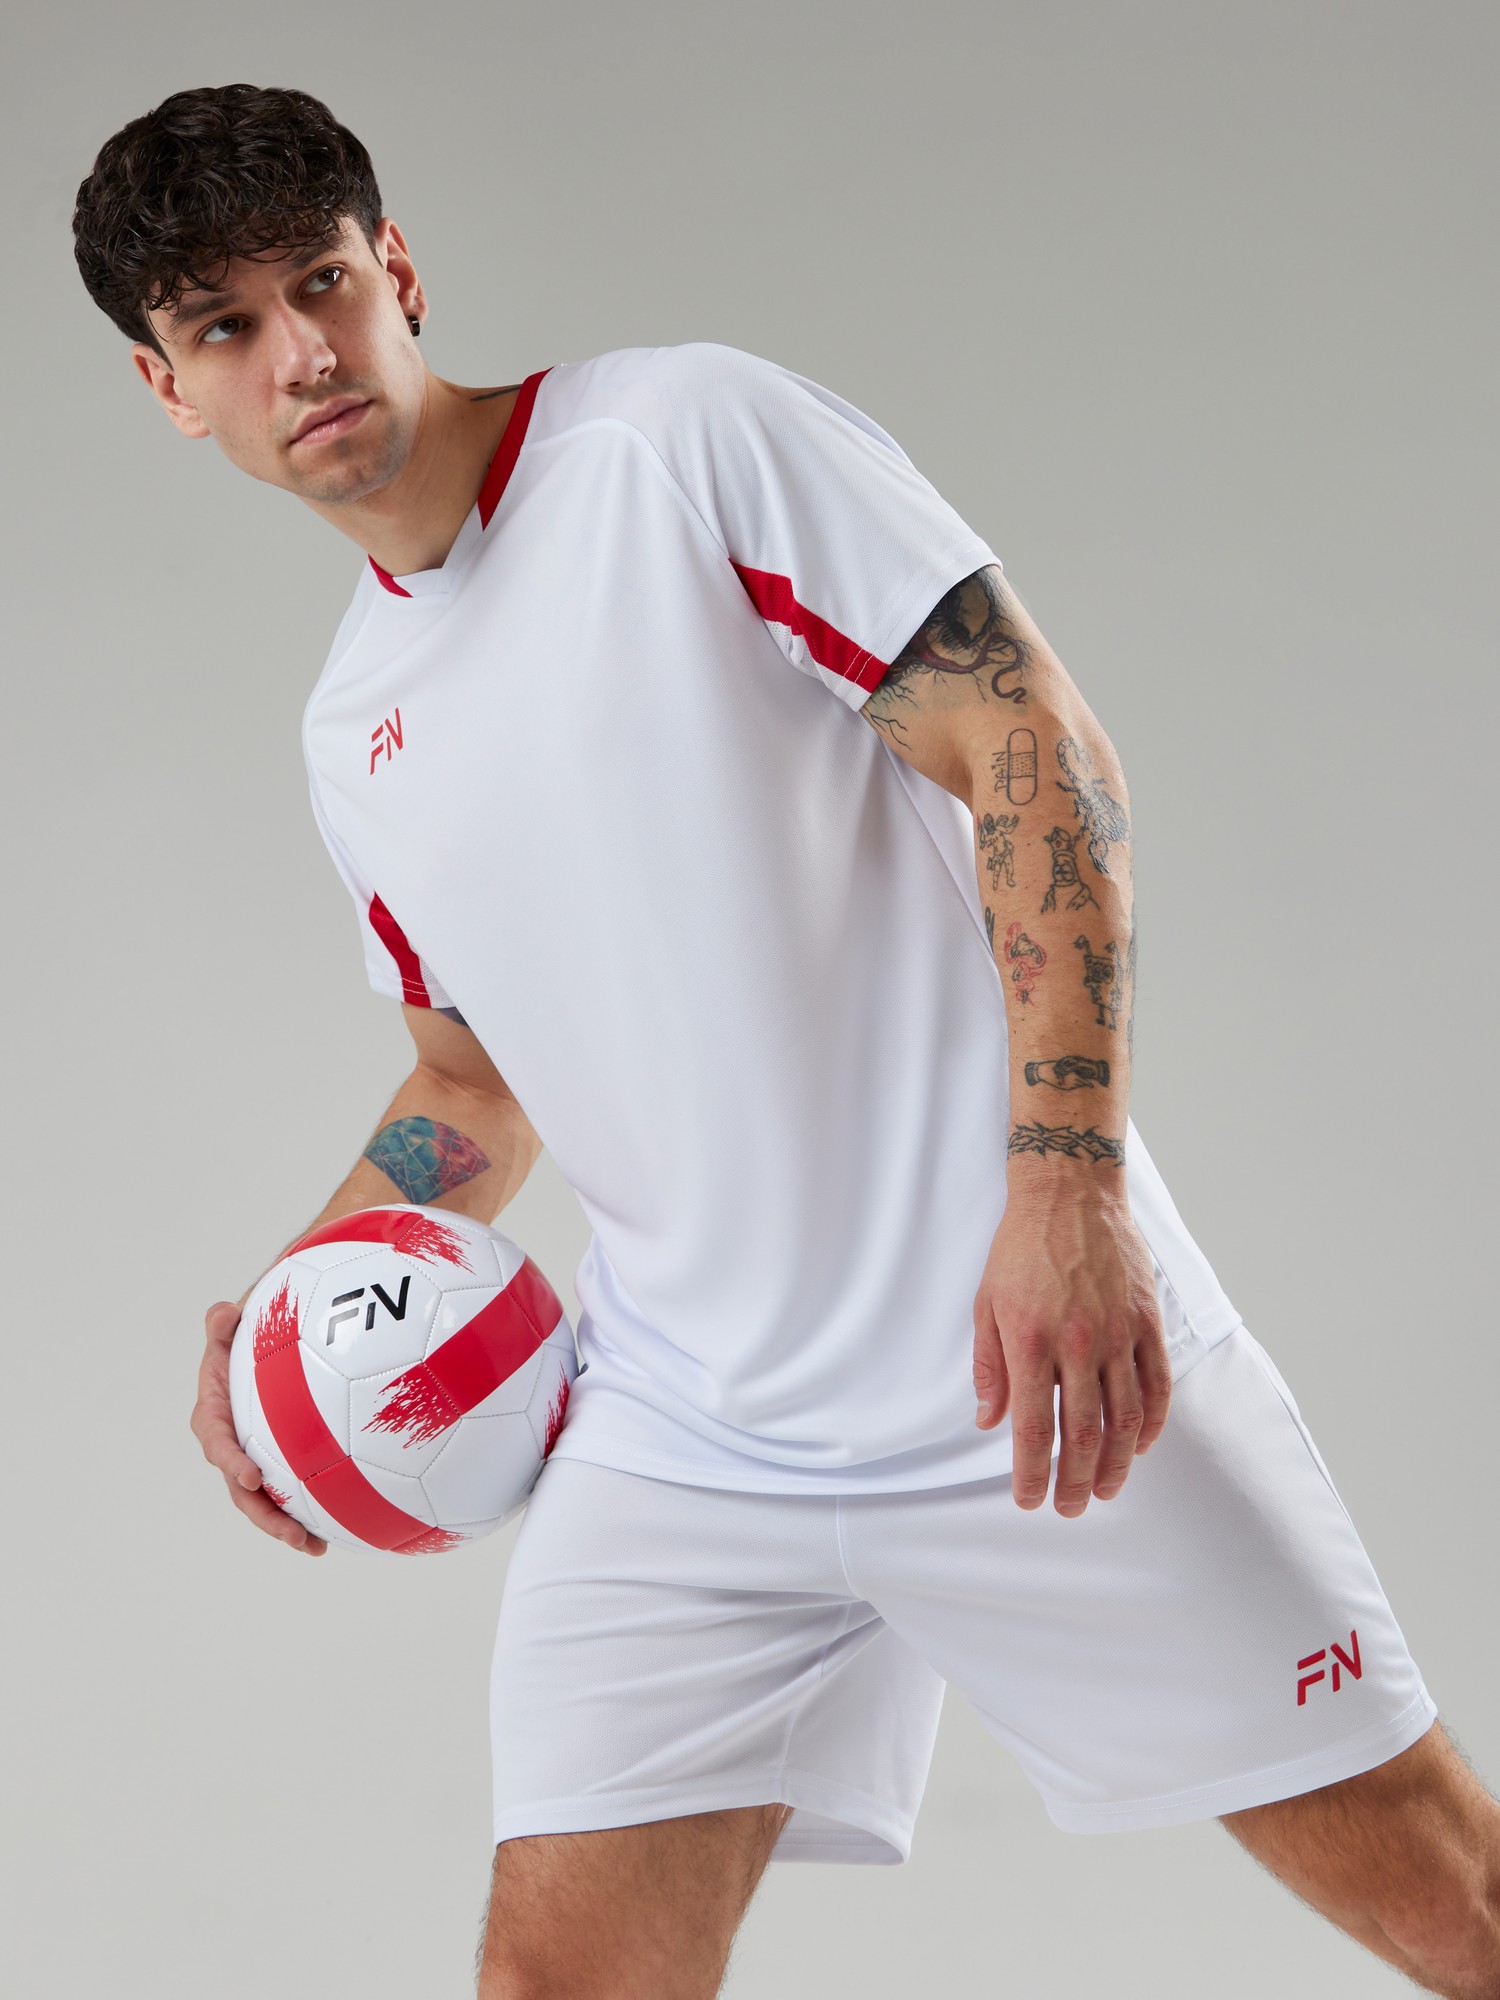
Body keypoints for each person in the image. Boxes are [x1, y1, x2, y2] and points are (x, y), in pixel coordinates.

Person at [74, 81, 1500, 2000]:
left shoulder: (677, 444)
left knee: (1452, 1909)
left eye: (319, 282)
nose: (300, 356)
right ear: (171, 389)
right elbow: (478, 1083)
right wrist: (277, 1325)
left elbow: (1036, 751)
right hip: (686, 1438)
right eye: (226, 327)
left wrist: (1068, 1191)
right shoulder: (356, 730)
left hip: (1022, 1370)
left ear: (396, 268)